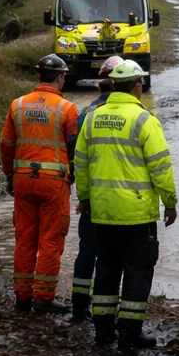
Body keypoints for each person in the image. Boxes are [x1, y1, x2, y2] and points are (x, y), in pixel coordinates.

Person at [74, 59, 178, 350]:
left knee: (106, 268)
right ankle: (130, 335)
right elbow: (161, 167)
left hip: (103, 213)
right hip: (136, 216)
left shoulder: (94, 117)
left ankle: (103, 332)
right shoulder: (145, 120)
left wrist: (85, 199)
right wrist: (170, 202)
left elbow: (80, 163)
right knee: (137, 272)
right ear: (136, 86)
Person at [0, 54, 80, 314]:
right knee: (50, 239)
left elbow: (7, 145)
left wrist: (9, 175)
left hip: (23, 179)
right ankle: (43, 299)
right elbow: (74, 147)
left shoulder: (18, 105)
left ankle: (22, 297)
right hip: (53, 183)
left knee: (24, 238)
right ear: (60, 77)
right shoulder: (67, 108)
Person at [70, 55, 124, 321]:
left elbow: (74, 149)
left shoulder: (87, 113)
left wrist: (83, 194)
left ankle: (79, 303)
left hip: (91, 196)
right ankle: (108, 309)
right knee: (114, 257)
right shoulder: (131, 114)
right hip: (120, 200)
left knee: (88, 249)